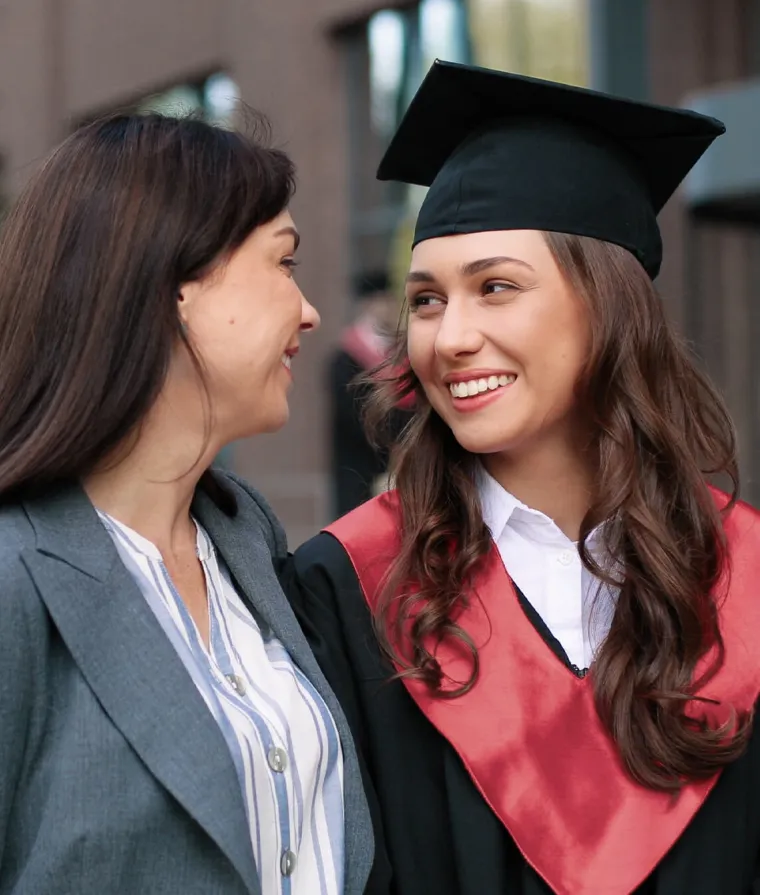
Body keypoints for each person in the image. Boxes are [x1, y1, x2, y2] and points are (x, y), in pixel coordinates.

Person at [283, 61, 760, 895]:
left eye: (495, 288)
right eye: (426, 300)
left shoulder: (743, 571)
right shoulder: (348, 587)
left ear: (608, 309)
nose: (449, 336)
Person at [0, 112, 378, 895]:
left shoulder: (247, 539)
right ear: (177, 283)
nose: (308, 311)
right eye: (283, 262)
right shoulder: (14, 576)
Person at [329, 271, 408, 516]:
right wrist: (399, 430)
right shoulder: (346, 358)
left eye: (390, 301)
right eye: (381, 301)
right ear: (367, 305)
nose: (387, 308)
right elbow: (353, 414)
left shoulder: (400, 355)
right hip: (358, 466)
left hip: (397, 468)